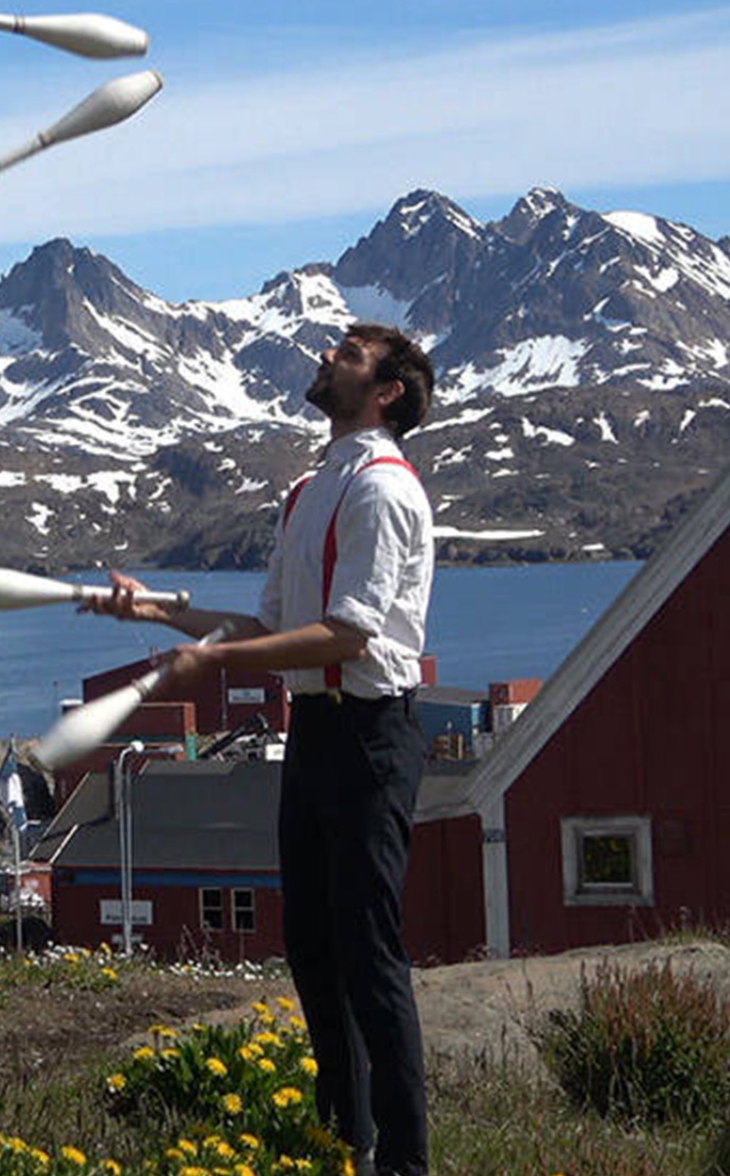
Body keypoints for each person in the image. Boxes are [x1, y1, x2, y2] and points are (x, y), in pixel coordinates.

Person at [90, 322, 435, 1176]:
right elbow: (270, 629)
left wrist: (213, 659)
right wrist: (160, 613)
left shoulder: (383, 491)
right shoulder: (312, 488)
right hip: (316, 734)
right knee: (314, 949)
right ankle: (341, 1140)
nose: (325, 356)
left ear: (387, 391)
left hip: (368, 737)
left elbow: (348, 636)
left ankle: (406, 1158)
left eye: (347, 354)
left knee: (369, 951)